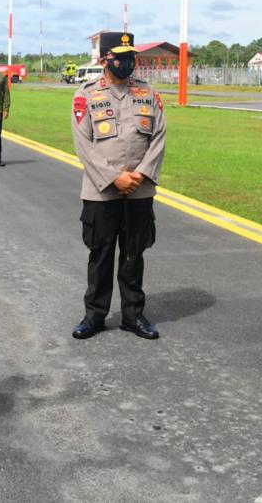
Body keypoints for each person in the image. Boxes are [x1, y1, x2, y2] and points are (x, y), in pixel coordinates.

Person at [70, 32, 166, 340]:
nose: (127, 64)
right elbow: (83, 144)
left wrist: (140, 174)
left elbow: (159, 137)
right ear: (104, 60)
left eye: (130, 58)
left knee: (134, 254)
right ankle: (94, 316)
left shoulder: (148, 93)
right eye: (119, 58)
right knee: (101, 254)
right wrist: (114, 177)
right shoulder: (86, 94)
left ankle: (133, 315)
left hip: (139, 189)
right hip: (101, 191)